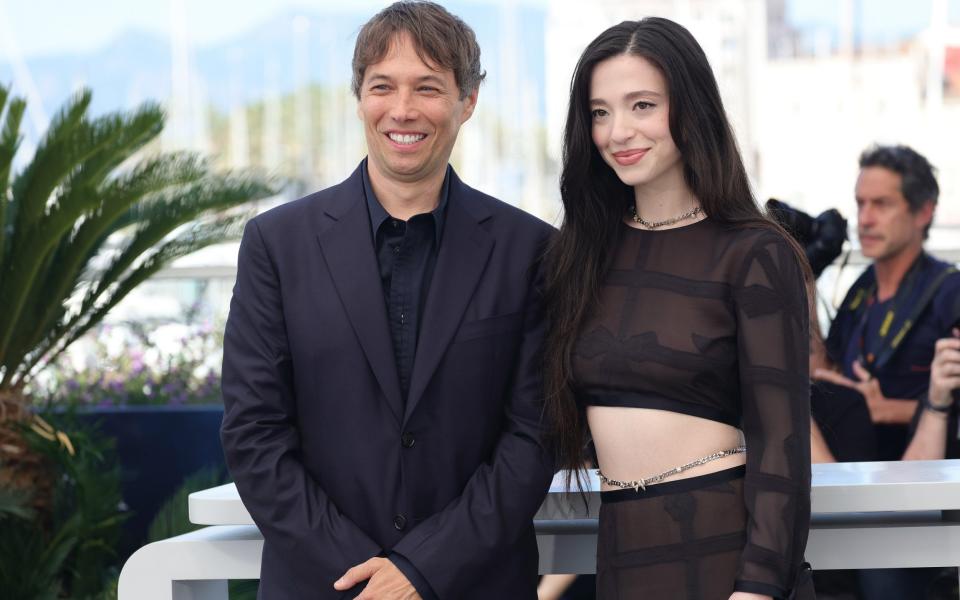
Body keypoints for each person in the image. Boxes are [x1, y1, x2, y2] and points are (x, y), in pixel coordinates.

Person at [220, 3, 555, 599]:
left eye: (428, 87)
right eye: (383, 86)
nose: (402, 110)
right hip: (325, 586)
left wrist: (422, 570)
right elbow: (254, 433)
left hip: (474, 585)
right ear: (359, 97)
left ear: (467, 101)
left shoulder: (530, 250)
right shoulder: (276, 244)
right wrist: (364, 572)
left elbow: (532, 440)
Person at [544, 17, 813, 600]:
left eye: (642, 105)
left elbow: (782, 446)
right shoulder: (582, 255)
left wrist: (758, 589)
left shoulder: (754, 252)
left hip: (724, 561)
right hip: (621, 558)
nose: (618, 131)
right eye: (599, 112)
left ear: (690, 107)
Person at [814, 145, 960, 462]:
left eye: (881, 204)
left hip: (920, 491)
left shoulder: (950, 291)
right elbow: (825, 369)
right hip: (854, 477)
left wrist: (889, 410)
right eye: (860, 203)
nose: (864, 219)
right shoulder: (863, 287)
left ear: (923, 212)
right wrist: (804, 274)